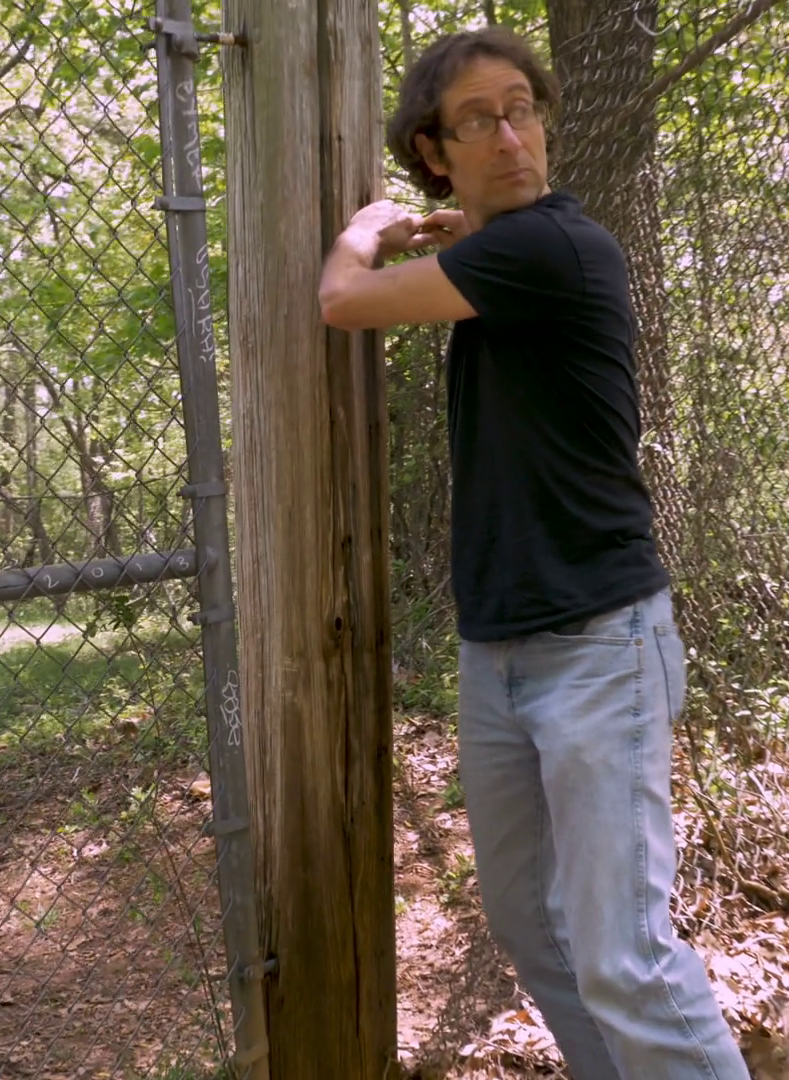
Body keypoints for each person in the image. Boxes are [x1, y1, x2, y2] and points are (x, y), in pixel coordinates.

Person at [317, 26, 752, 1080]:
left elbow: (344, 302)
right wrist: (453, 226)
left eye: (522, 109)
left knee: (624, 956)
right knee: (536, 929)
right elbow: (469, 255)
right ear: (435, 151)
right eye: (479, 121)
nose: (512, 136)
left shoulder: (554, 248)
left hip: (601, 644)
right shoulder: (501, 256)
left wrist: (367, 229)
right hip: (499, 652)